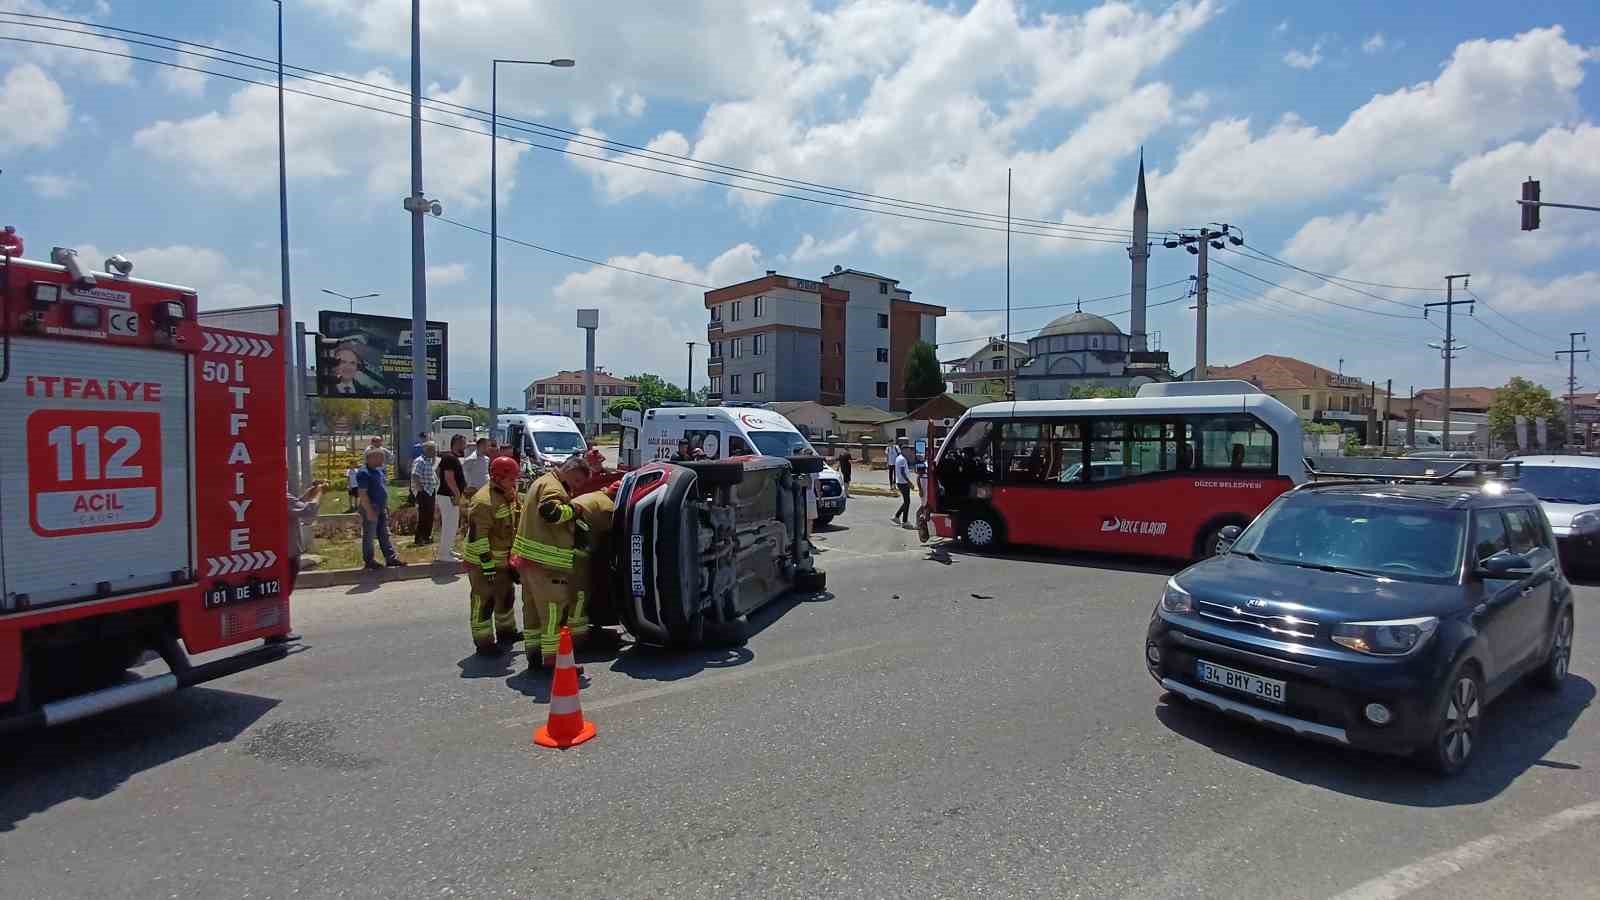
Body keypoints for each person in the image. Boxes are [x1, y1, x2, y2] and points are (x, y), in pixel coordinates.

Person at [512, 455, 592, 669]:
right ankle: (554, 660)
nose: (576, 487)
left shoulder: (541, 481)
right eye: (576, 481)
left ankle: (535, 655)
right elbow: (550, 512)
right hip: (548, 565)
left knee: (532, 613)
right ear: (569, 471)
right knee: (554, 614)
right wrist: (574, 511)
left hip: (528, 561)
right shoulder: (553, 487)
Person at [463, 456, 522, 654]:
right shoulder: (483, 502)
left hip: (503, 561)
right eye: (511, 478)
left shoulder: (508, 494)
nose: (514, 482)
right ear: (497, 477)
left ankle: (507, 632)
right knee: (484, 601)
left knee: (506, 596)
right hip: (483, 564)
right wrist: (487, 566)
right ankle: (484, 643)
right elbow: (478, 538)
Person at [357, 447, 403, 570]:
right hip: (371, 507)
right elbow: (362, 493)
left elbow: (381, 488)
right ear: (371, 458)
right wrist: (369, 510)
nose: (383, 460)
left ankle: (391, 558)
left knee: (384, 534)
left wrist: (386, 505)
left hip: (381, 507)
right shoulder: (364, 472)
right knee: (369, 535)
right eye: (381, 457)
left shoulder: (378, 471)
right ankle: (369, 560)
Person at [286, 480, 326, 592]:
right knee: (286, 588)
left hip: (282, 551)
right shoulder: (281, 495)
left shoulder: (273, 494)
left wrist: (307, 495)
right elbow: (308, 512)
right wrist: (319, 493)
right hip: (289, 552)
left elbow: (294, 507)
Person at [435, 435, 467, 562]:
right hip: (449, 496)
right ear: (457, 443)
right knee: (449, 525)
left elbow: (438, 473)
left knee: (452, 525)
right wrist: (457, 494)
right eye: (463, 443)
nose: (465, 446)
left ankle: (448, 550)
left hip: (448, 495)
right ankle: (444, 554)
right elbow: (449, 478)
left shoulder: (450, 458)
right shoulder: (450, 458)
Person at [410, 441, 439, 546]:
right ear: (427, 450)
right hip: (424, 492)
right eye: (434, 450)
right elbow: (415, 475)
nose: (435, 452)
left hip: (430, 490)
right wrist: (420, 489)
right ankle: (419, 538)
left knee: (429, 515)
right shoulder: (420, 461)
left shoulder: (429, 461)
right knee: (423, 516)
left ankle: (427, 537)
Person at [891, 441, 916, 526]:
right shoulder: (902, 459)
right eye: (906, 449)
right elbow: (902, 472)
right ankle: (904, 521)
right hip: (903, 483)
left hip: (900, 482)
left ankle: (897, 516)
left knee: (906, 501)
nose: (908, 451)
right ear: (902, 450)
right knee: (907, 502)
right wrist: (910, 483)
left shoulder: (898, 458)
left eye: (908, 449)